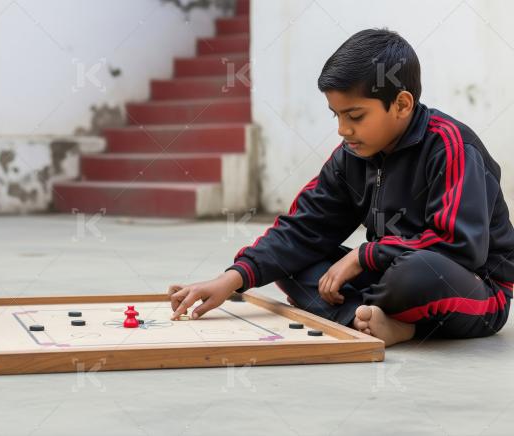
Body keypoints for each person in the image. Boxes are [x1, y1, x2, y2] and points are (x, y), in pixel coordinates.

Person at [168, 29, 514, 346]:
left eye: (355, 116)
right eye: (337, 115)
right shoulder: (351, 156)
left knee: (418, 273)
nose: (343, 130)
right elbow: (301, 230)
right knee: (292, 263)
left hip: (475, 288)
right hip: (387, 280)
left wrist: (365, 255)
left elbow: (460, 246)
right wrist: (232, 279)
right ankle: (368, 321)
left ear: (402, 104)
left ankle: (394, 324)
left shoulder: (451, 146)